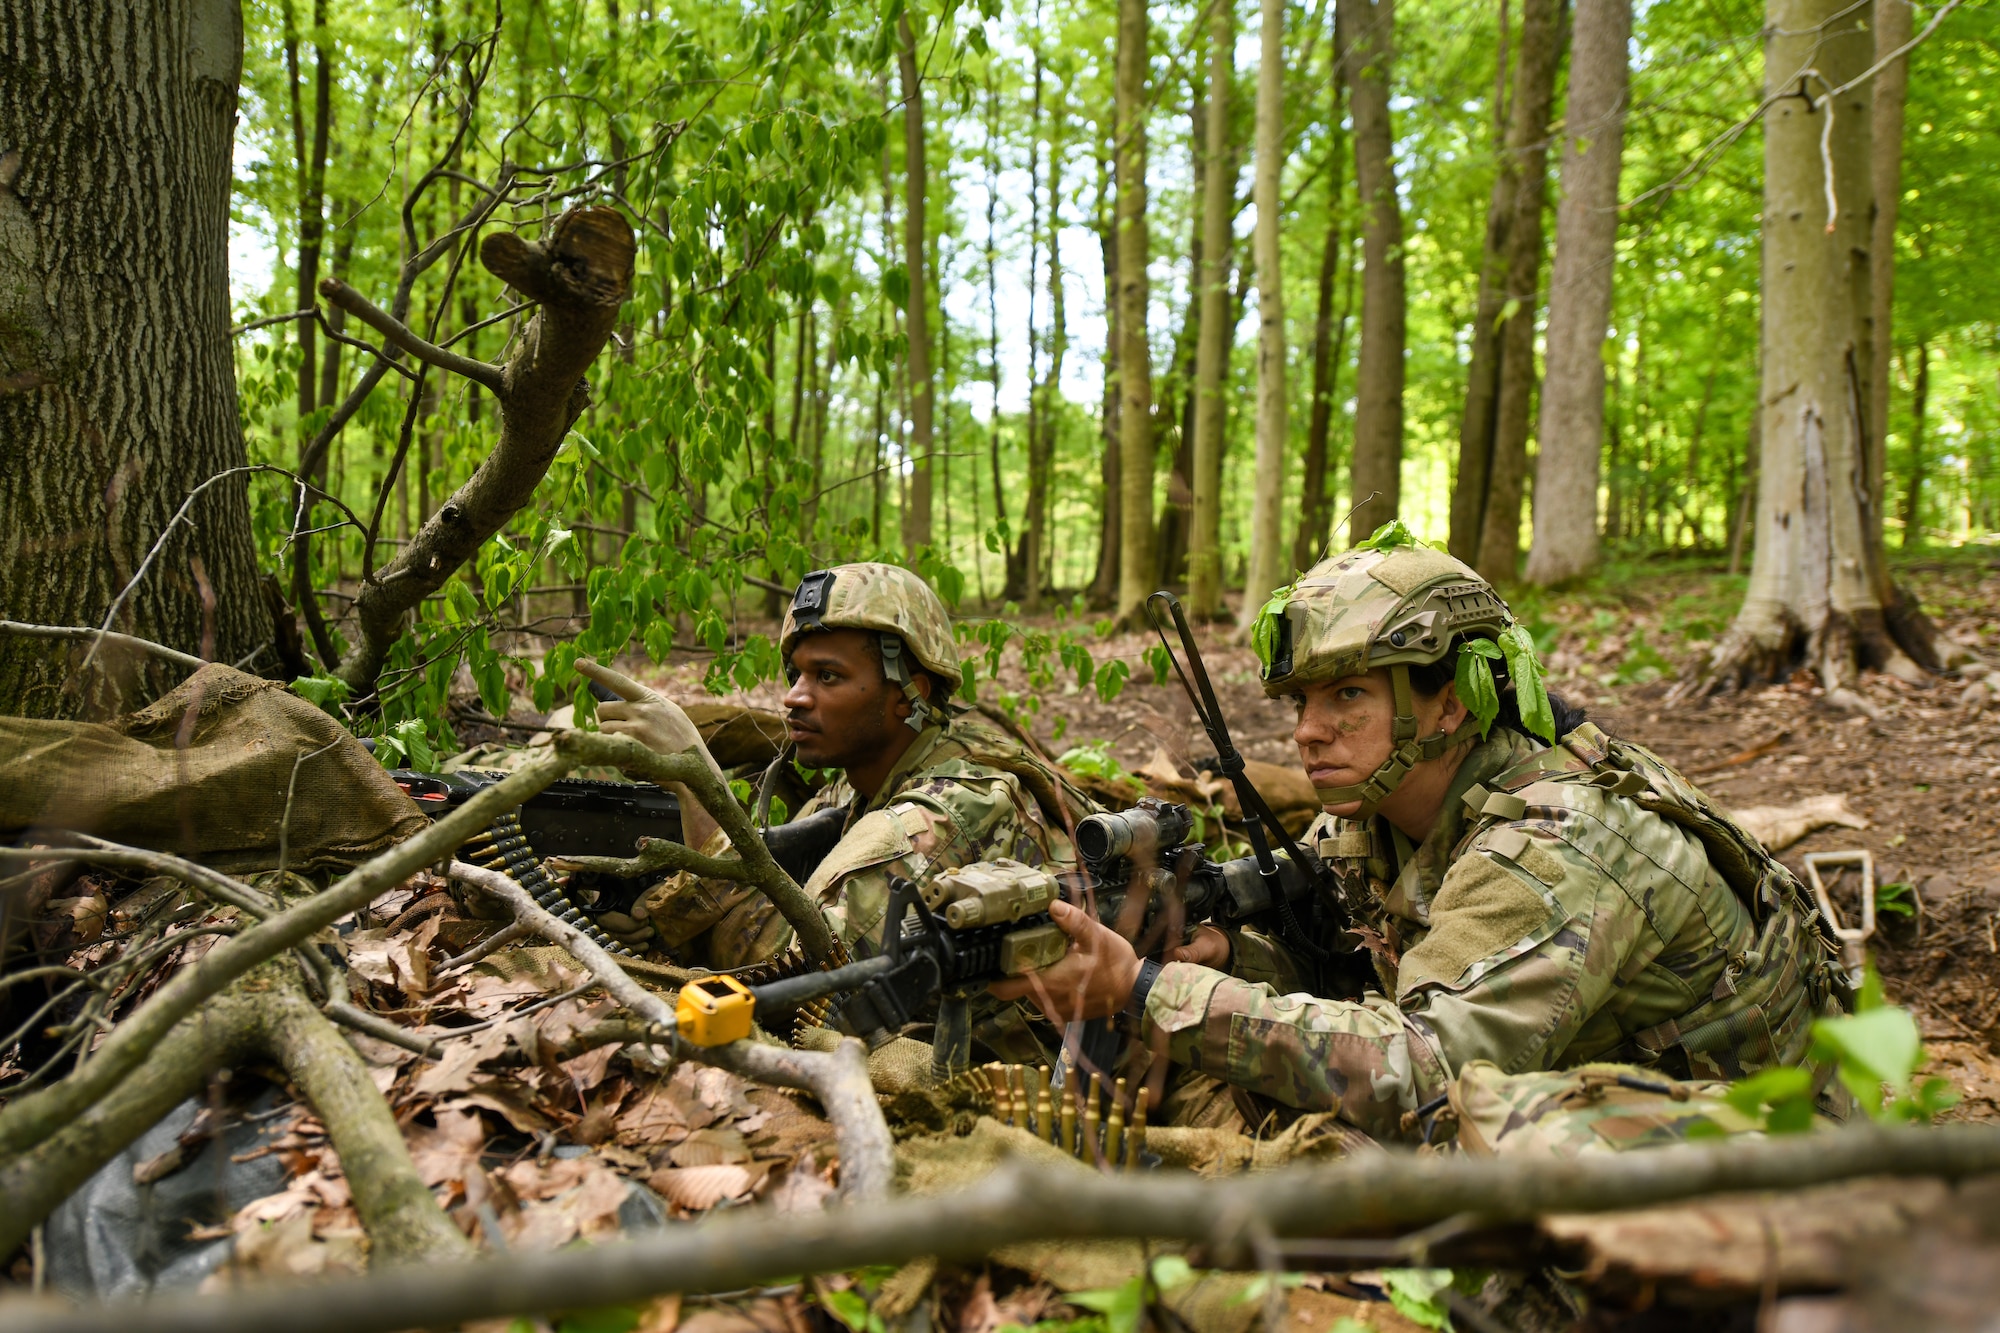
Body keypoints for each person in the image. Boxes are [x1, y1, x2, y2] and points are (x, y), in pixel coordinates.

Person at [994, 539, 1846, 1142]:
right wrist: (1233, 959)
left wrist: (1147, 988)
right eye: (1301, 704)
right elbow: (1375, 970)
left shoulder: (1554, 846)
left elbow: (1432, 1074)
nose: (1309, 733)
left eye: (1349, 697)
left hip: (1770, 1163)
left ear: (1453, 703)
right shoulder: (1381, 812)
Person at [580, 563, 1094, 993]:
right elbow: (759, 904)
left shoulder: (946, 812)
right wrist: (657, 918)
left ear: (907, 695)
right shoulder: (852, 789)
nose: (794, 697)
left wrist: (698, 783)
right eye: (797, 675)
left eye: (828, 676)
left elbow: (789, 978)